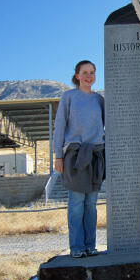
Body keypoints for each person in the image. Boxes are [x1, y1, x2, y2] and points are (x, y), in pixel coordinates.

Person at [53, 60, 105, 258]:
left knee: (91, 204)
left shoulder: (99, 100)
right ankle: (76, 247)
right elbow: (59, 128)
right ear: (77, 76)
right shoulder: (68, 97)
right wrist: (58, 156)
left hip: (95, 155)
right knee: (76, 202)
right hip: (74, 156)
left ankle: (90, 246)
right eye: (85, 72)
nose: (89, 76)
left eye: (92, 72)